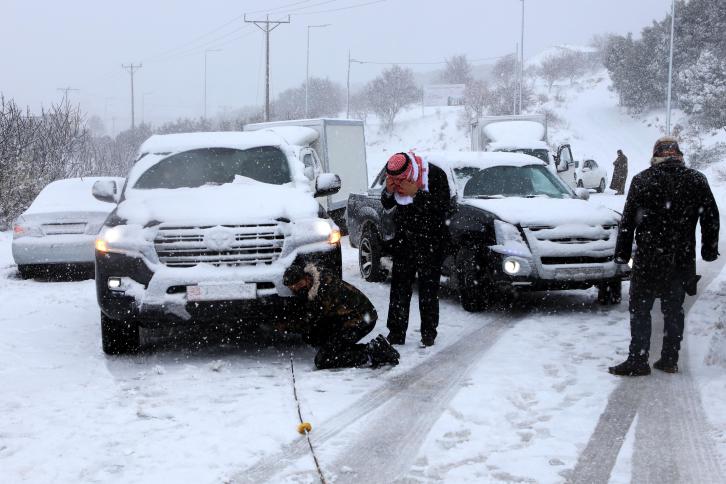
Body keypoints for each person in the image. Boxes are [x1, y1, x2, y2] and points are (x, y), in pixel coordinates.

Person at [609, 136, 719, 376]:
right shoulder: (696, 180)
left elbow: (628, 221)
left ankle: (638, 359)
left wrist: (622, 254)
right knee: (673, 308)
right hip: (681, 257)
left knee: (640, 308)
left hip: (649, 257)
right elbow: (710, 216)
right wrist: (708, 250)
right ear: (678, 154)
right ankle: (669, 358)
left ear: (655, 155)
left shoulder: (642, 180)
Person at [381, 151, 452, 347]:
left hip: (432, 242)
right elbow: (387, 203)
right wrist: (388, 191)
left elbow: (442, 207)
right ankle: (396, 332)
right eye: (394, 179)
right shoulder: (394, 176)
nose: (398, 182)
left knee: (428, 289)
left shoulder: (434, 175)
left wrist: (416, 194)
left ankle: (428, 333)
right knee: (399, 289)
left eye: (400, 179)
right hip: (405, 241)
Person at [282, 263, 400, 370]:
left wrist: (284, 326)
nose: (296, 289)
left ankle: (373, 352)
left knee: (323, 360)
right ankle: (374, 347)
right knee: (314, 337)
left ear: (307, 278)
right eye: (292, 288)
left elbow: (310, 320)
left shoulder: (324, 290)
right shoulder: (316, 282)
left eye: (299, 284)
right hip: (352, 316)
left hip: (362, 320)